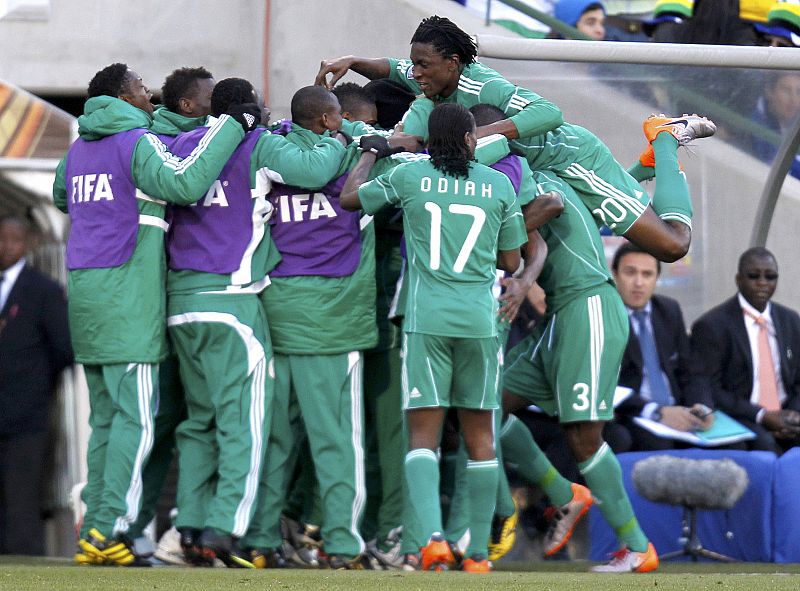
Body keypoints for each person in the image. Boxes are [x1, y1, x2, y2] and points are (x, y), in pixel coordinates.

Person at [52, 62, 261, 566]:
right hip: (128, 298)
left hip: (85, 294)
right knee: (135, 422)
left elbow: (63, 196)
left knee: (105, 420)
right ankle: (112, 527)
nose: (151, 98)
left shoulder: (78, 149)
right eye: (143, 89)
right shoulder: (136, 141)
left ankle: (95, 530)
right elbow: (186, 183)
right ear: (125, 95)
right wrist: (235, 124)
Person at [314, 15, 716, 264]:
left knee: (671, 246)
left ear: (453, 64)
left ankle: (663, 139)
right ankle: (639, 168)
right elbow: (392, 68)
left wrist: (476, 135)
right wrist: (352, 61)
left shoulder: (483, 84)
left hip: (571, 158)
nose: (414, 72)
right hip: (540, 170)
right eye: (414, 63)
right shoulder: (432, 83)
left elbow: (549, 113)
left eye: (423, 65)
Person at [165, 79, 352, 568]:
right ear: (250, 107)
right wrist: (336, 138)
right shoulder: (256, 143)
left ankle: (188, 523)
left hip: (181, 303)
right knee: (244, 424)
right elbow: (313, 172)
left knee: (199, 422)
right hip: (232, 300)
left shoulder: (183, 144)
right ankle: (226, 528)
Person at [340, 103, 528, 573]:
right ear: (469, 140)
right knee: (480, 436)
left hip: (427, 320)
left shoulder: (411, 178)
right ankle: (480, 555)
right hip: (479, 323)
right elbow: (511, 262)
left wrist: (368, 152)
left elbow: (350, 199)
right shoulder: (498, 184)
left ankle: (432, 540)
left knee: (422, 436)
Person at [0, 215, 73, 555]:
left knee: (22, 497)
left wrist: (38, 385)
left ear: (27, 244)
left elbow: (63, 348)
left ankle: (24, 564)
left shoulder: (43, 290)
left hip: (27, 415)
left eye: (12, 240)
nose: (5, 247)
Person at [690, 247, 800, 454]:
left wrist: (791, 415)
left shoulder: (791, 320)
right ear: (738, 279)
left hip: (787, 412)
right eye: (753, 276)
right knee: (765, 445)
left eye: (770, 277)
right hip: (743, 415)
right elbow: (710, 387)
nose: (762, 283)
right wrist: (762, 415)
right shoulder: (712, 325)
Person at [611, 241, 714, 450]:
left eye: (647, 274)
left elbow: (691, 370)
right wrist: (657, 412)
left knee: (731, 446)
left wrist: (701, 406)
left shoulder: (668, 310)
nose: (638, 282)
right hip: (635, 414)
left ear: (657, 279)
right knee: (660, 446)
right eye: (630, 273)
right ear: (614, 274)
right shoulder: (605, 316)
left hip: (678, 411)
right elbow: (608, 386)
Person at [750, 71, 800, 180]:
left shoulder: (793, 121)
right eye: (786, 90)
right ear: (769, 92)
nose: (794, 100)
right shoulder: (754, 125)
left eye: (798, 92)